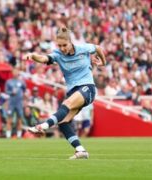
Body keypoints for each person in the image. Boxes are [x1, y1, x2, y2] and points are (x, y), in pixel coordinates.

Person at [24, 27, 106, 159]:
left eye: (64, 45)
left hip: (87, 88)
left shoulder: (83, 48)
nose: (62, 48)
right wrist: (33, 56)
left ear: (71, 42)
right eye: (59, 45)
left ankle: (43, 125)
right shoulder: (57, 54)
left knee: (66, 103)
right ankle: (81, 150)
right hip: (74, 91)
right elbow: (44, 58)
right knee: (63, 122)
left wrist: (103, 61)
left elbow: (97, 48)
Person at [5, 68, 26, 139]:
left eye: (16, 72)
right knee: (9, 119)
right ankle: (8, 136)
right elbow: (6, 91)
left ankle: (19, 135)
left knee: (19, 119)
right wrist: (11, 92)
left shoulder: (22, 82)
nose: (15, 73)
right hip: (11, 103)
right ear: (12, 73)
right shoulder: (9, 82)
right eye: (14, 72)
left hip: (19, 103)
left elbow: (24, 89)